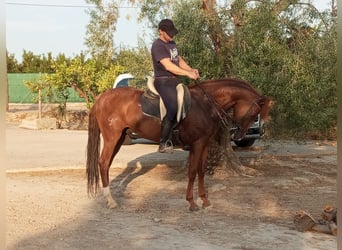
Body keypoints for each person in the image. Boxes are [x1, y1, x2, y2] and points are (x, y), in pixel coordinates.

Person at [151, 19, 200, 153]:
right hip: (163, 81)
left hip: (174, 80)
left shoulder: (172, 43)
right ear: (161, 31)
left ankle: (185, 137)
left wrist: (190, 70)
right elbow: (169, 66)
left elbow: (178, 60)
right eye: (169, 33)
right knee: (172, 108)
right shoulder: (158, 46)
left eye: (172, 32)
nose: (172, 35)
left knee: (190, 103)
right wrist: (187, 74)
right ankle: (163, 142)